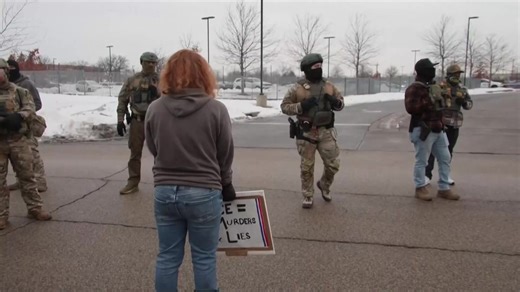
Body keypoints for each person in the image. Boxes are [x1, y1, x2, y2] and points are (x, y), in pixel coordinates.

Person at [144, 49, 235, 292]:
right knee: (204, 258)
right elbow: (225, 153)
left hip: (164, 191)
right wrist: (226, 182)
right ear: (204, 75)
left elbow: (154, 147)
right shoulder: (216, 110)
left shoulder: (155, 108)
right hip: (204, 192)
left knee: (167, 257)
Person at [280, 53, 344, 208]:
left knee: (333, 164)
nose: (319, 69)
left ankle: (324, 184)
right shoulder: (298, 88)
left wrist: (335, 102)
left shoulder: (328, 86)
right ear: (307, 69)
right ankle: (308, 195)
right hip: (307, 132)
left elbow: (341, 104)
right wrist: (301, 106)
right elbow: (284, 107)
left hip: (326, 131)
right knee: (307, 167)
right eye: (315, 67)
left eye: (320, 66)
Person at [0, 58, 51, 230]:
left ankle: (35, 209)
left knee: (27, 176)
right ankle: (2, 217)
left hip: (19, 141)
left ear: (6, 72)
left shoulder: (20, 91)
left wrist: (19, 116)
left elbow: (31, 108)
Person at [404, 58, 459, 201]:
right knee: (422, 160)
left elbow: (441, 107)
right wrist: (430, 100)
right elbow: (411, 108)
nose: (433, 71)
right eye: (430, 68)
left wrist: (442, 98)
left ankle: (444, 187)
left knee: (445, 158)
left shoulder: (434, 87)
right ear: (423, 71)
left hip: (438, 129)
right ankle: (420, 187)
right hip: (423, 129)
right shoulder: (414, 88)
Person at [116, 52, 160, 194]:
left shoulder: (162, 80)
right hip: (138, 121)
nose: (151, 65)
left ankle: (162, 183)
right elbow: (122, 100)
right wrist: (120, 120)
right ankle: (133, 181)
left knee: (161, 154)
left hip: (157, 122)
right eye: (148, 62)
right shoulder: (132, 80)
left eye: (154, 63)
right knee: (135, 153)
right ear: (141, 62)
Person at [425, 64, 473, 184]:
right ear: (449, 75)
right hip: (441, 122)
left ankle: (445, 176)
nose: (458, 76)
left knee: (449, 151)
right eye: (455, 74)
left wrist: (464, 102)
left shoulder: (462, 88)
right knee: (433, 150)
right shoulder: (440, 86)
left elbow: (469, 104)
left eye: (459, 74)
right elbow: (433, 100)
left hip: (455, 123)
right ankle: (427, 175)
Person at [7, 59, 48, 192]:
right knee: (17, 156)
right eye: (8, 68)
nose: (10, 70)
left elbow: (38, 103)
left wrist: (23, 113)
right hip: (11, 127)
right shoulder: (6, 85)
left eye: (13, 68)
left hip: (26, 125)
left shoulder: (26, 83)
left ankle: (40, 181)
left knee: (33, 154)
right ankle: (21, 181)